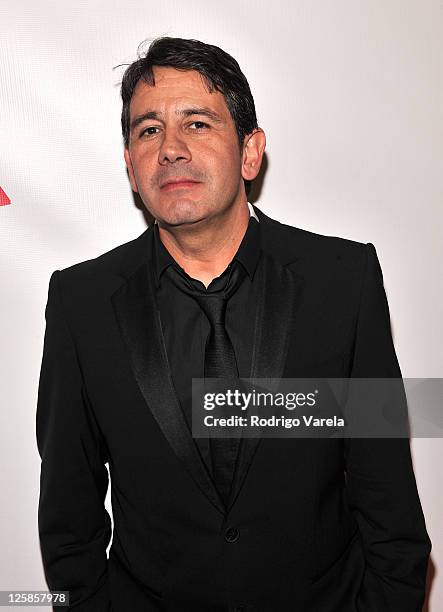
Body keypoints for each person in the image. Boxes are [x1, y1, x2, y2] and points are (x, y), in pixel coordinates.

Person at [36, 36, 431, 611]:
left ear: (250, 152)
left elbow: (389, 503)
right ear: (130, 165)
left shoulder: (343, 282)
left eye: (197, 124)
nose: (170, 149)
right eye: (148, 130)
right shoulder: (82, 302)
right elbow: (69, 521)